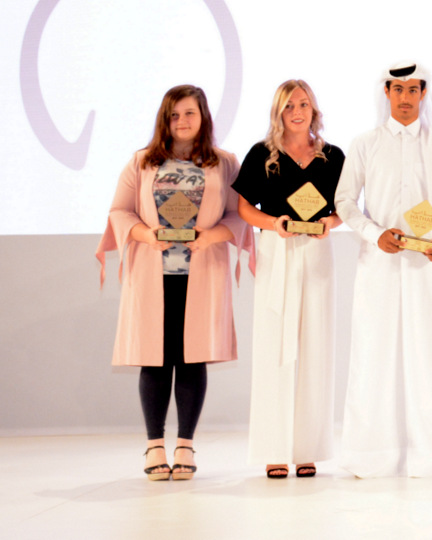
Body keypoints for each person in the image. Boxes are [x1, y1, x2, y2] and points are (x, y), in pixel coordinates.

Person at [96, 84, 252, 480]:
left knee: (192, 356)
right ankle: (153, 446)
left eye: (189, 114)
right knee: (155, 357)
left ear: (204, 118)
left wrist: (208, 238)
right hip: (153, 271)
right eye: (174, 114)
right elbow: (120, 211)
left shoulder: (225, 163)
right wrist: (148, 236)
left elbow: (238, 216)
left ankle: (185, 444)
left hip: (202, 271)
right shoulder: (142, 162)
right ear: (165, 119)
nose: (182, 122)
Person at [334, 61, 432, 477]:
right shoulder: (365, 143)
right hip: (379, 264)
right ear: (386, 93)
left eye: (413, 90)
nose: (405, 98)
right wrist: (375, 235)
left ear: (423, 94)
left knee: (431, 354)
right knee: (375, 352)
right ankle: (372, 456)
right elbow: (345, 202)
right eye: (398, 90)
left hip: (427, 265)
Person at [233, 80, 345, 479]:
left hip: (316, 252)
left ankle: (308, 448)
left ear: (315, 109)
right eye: (288, 106)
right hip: (276, 249)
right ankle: (274, 449)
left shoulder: (333, 156)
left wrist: (330, 223)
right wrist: (272, 223)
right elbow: (244, 206)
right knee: (274, 347)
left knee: (315, 345)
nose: (297, 111)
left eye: (303, 104)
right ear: (278, 112)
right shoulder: (263, 155)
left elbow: (343, 207)